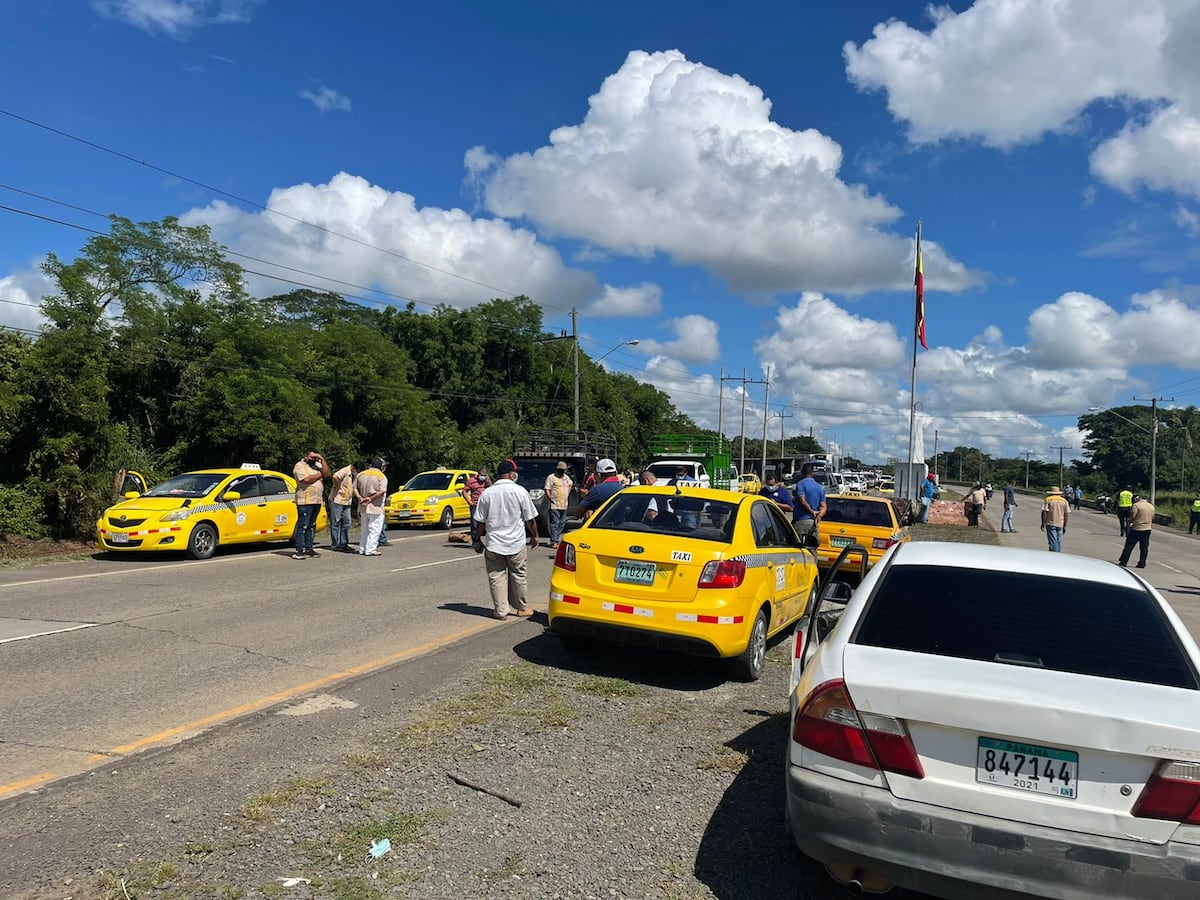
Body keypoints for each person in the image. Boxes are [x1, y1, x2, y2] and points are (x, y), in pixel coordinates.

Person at [474, 458, 539, 619]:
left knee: (496, 577)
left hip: (494, 543)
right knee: (518, 575)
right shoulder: (520, 491)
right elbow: (530, 519)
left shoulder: (487, 493)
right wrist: (535, 536)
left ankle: (501, 611)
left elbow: (480, 521)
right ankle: (521, 608)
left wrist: (477, 539)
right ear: (511, 474)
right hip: (516, 543)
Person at [292, 448, 328, 559]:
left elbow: (327, 473)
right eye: (312, 457)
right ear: (306, 456)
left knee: (311, 526)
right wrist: (320, 474)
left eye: (315, 457)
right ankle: (299, 550)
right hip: (305, 501)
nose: (314, 459)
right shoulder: (299, 466)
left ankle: (309, 548)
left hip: (316, 500)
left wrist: (321, 459)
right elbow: (306, 480)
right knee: (303, 526)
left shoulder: (317, 465)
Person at [355, 458, 388, 556]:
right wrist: (371, 499)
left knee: (365, 529)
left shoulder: (361, 474)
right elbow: (382, 491)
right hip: (375, 507)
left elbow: (354, 488)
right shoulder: (381, 476)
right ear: (381, 467)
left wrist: (360, 497)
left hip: (363, 506)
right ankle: (370, 549)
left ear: (370, 465)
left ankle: (362, 548)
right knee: (374, 529)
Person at [1118, 494, 1155, 568]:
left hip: (1137, 528)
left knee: (1129, 545)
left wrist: (1131, 521)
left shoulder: (1136, 505)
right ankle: (1142, 563)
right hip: (1147, 529)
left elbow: (1133, 516)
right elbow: (1153, 517)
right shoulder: (1151, 506)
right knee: (1144, 547)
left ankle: (1124, 561)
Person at [328, 460, 357, 552]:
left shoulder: (353, 475)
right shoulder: (345, 471)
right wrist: (337, 487)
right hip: (337, 500)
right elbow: (335, 476)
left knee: (347, 522)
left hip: (347, 501)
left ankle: (344, 543)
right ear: (354, 468)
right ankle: (335, 544)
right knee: (335, 522)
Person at [543, 461, 574, 548]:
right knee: (555, 523)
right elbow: (547, 489)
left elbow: (570, 484)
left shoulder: (566, 478)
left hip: (564, 504)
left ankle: (557, 538)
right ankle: (554, 541)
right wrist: (550, 498)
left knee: (562, 523)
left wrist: (567, 492)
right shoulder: (551, 477)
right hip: (555, 504)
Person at [792, 463, 827, 539]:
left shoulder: (801, 484)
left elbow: (803, 501)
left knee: (799, 546)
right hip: (814, 522)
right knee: (812, 546)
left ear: (802, 472)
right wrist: (819, 516)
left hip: (802, 521)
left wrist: (812, 512)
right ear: (813, 473)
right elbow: (823, 506)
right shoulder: (820, 487)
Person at [462, 468, 491, 541]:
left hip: (485, 504)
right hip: (475, 504)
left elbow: (492, 489)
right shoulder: (472, 481)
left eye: (484, 475)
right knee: (475, 524)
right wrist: (469, 502)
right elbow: (464, 491)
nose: (483, 477)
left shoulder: (486, 481)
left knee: (487, 523)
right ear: (478, 474)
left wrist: (488, 481)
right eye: (481, 475)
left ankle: (487, 540)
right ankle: (475, 541)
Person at [1040, 486, 1070, 552]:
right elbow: (1066, 514)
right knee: (1058, 541)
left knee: (1053, 541)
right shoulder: (1064, 501)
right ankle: (1058, 553)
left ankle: (1054, 555)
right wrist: (1065, 526)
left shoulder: (1048, 499)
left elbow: (1044, 512)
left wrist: (1043, 523)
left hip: (1050, 523)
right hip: (1060, 523)